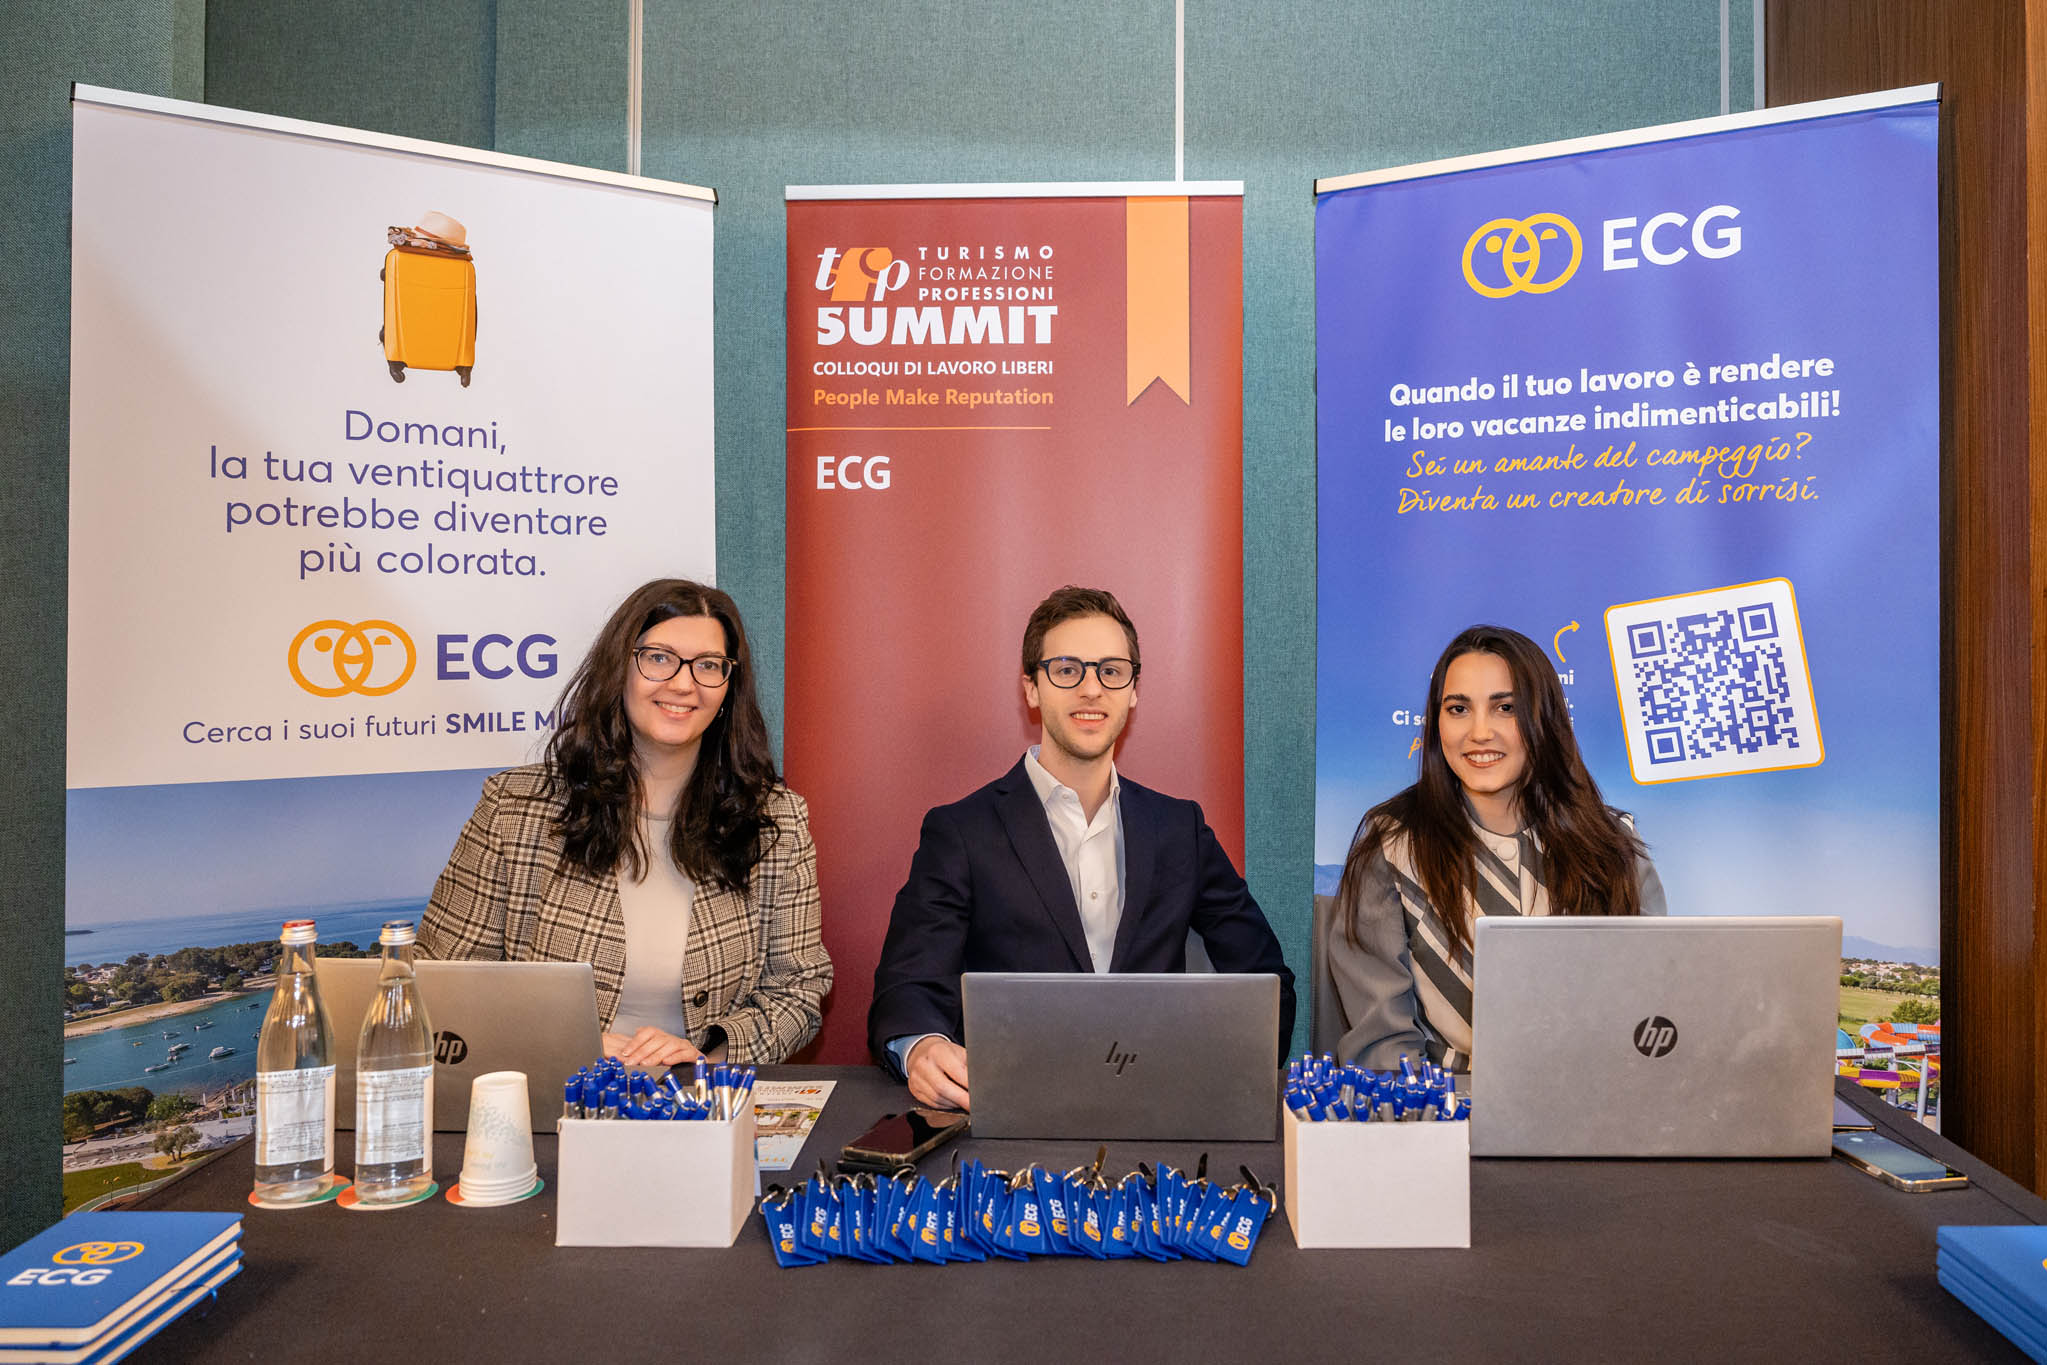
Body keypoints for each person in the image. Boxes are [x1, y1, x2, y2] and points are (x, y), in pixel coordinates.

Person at [868, 585, 1296, 1110]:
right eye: (1067, 669)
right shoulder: (961, 831)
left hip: (1156, 1111)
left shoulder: (1178, 828)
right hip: (1012, 1113)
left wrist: (1231, 1078)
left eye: (1111, 671)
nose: (1092, 689)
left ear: (1133, 690)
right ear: (1031, 688)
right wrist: (921, 1048)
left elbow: (1266, 977)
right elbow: (908, 984)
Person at [420, 579, 832, 1067]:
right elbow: (440, 981)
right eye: (658, 658)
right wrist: (565, 1044)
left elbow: (797, 989)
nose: (683, 684)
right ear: (620, 668)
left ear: (728, 687)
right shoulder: (516, 808)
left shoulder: (775, 819)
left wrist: (709, 1053)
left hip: (699, 1097)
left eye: (708, 665)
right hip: (556, 1096)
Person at [1328, 624, 1665, 1072]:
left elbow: (1653, 1010)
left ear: (1543, 718)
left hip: (1596, 1096)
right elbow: (1384, 1049)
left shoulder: (1613, 841)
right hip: (1445, 1104)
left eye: (1505, 708)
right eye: (1458, 709)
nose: (1480, 732)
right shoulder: (1390, 844)